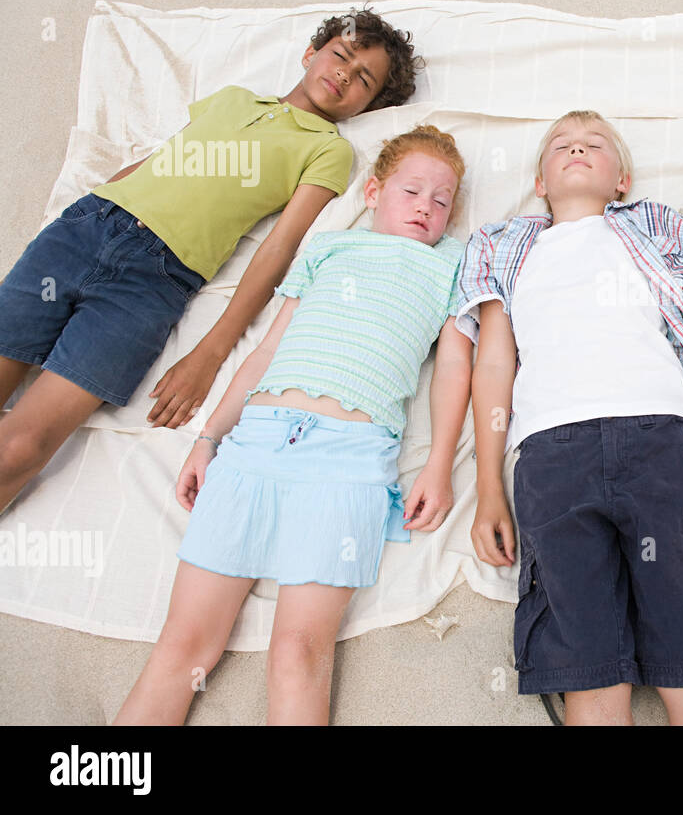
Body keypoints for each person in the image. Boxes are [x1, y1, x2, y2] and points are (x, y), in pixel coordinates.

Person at [113, 125, 470, 725]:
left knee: (299, 652)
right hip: (257, 442)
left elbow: (455, 365)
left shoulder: (452, 262)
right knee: (183, 648)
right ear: (373, 192)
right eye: (412, 191)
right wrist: (207, 438)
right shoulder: (328, 249)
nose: (426, 208)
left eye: (442, 200)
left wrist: (439, 465)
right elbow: (263, 352)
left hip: (350, 460)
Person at [0, 7, 422, 513]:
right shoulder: (233, 98)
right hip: (86, 229)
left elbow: (280, 247)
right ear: (311, 54)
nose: (344, 74)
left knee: (20, 448)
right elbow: (166, 156)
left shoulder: (328, 150)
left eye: (363, 80)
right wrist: (90, 203)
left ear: (367, 106)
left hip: (151, 283)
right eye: (341, 56)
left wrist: (210, 352)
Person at [459, 110, 683, 725]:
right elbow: (493, 361)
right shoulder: (502, 242)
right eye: (561, 146)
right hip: (551, 449)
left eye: (595, 145)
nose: (577, 149)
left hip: (657, 435)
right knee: (584, 657)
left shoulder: (655, 227)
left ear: (621, 179)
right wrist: (489, 486)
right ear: (539, 182)